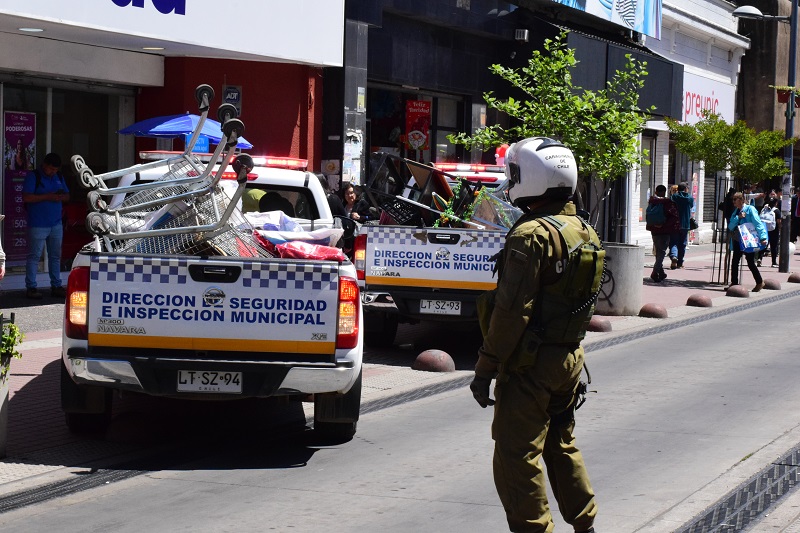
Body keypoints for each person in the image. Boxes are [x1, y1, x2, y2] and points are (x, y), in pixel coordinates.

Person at [470, 137, 601, 533]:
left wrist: (485, 368)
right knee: (561, 445)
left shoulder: (531, 235)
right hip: (568, 361)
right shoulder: (584, 230)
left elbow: (511, 313)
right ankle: (585, 525)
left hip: (530, 366)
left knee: (516, 454)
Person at [22, 152, 69, 299]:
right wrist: (48, 196)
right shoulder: (33, 176)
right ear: (44, 165)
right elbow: (26, 197)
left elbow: (68, 196)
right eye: (51, 169)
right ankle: (31, 287)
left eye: (55, 170)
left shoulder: (59, 177)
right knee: (34, 256)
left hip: (56, 224)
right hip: (38, 224)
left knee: (55, 256)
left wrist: (60, 196)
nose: (52, 172)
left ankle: (56, 285)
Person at [728, 192, 768, 291]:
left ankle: (759, 282)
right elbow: (730, 226)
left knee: (750, 262)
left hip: (748, 240)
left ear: (741, 200)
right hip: (738, 239)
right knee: (735, 261)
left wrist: (763, 237)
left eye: (735, 199)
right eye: (733, 199)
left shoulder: (750, 209)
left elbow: (758, 223)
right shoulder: (736, 211)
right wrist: (738, 217)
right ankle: (734, 283)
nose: (733, 202)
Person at [646, 184, 679, 282]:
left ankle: (661, 272)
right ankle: (655, 272)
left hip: (653, 230)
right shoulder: (668, 203)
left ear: (656, 192)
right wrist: (664, 225)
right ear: (665, 192)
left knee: (658, 251)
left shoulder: (652, 202)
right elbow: (674, 217)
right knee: (662, 252)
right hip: (664, 231)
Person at [669, 182, 694, 269]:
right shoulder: (690, 198)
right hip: (685, 224)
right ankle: (680, 262)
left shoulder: (674, 197)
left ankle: (673, 256)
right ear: (685, 188)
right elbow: (691, 206)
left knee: (673, 242)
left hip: (675, 223)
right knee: (682, 244)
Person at [758, 197, 780, 267]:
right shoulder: (776, 211)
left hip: (764, 229)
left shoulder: (764, 209)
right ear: (776, 203)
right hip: (774, 230)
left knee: (764, 245)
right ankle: (773, 262)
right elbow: (779, 221)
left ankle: (759, 259)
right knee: (773, 246)